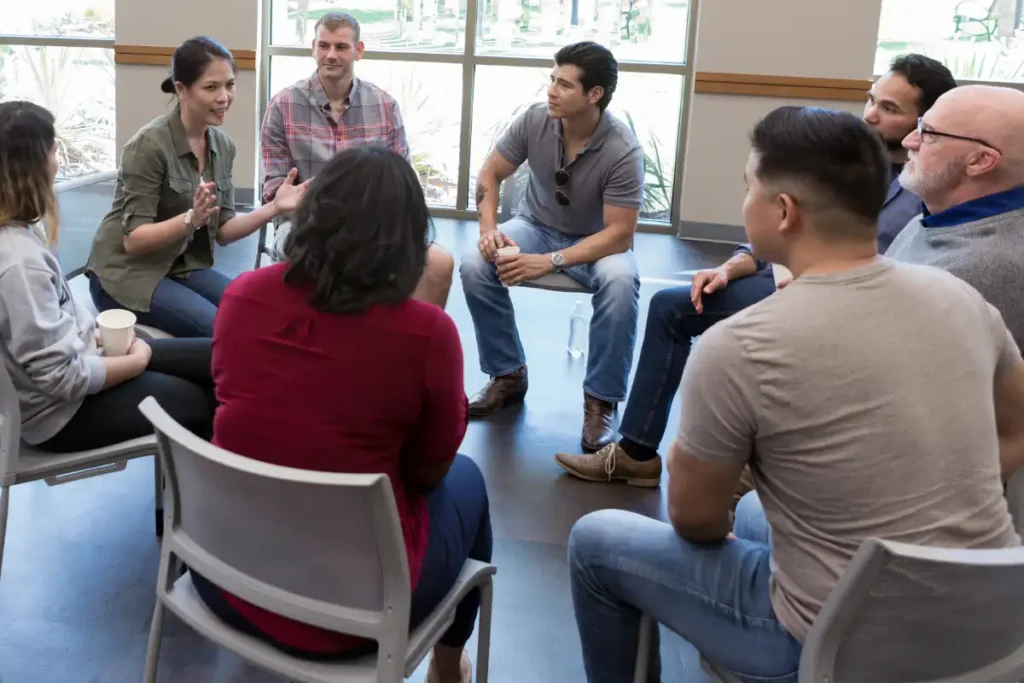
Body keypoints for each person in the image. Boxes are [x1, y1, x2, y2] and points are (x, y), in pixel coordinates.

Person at [567, 106, 1024, 683]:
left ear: (783, 212)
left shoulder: (740, 346)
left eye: (749, 188)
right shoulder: (961, 298)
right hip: (995, 633)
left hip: (835, 654)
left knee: (595, 540)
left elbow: (696, 520)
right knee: (758, 510)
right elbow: (1017, 428)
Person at [554, 54, 957, 486]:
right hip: (788, 277)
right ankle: (636, 454)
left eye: (890, 109)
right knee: (673, 305)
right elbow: (782, 219)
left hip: (844, 301)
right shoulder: (845, 154)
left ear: (925, 122)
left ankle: (750, 472)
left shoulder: (930, 189)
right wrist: (731, 267)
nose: (871, 115)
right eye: (871, 100)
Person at [194, 146, 490, 683]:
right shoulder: (426, 332)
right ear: (407, 239)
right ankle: (449, 667)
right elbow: (429, 472)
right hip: (356, 615)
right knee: (470, 482)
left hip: (224, 575)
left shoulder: (241, 297)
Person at [0, 101, 216, 454]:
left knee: (216, 357)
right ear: (33, 165)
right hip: (62, 415)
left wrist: (102, 340)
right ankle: (191, 504)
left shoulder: (18, 239)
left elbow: (52, 333)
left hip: (81, 368)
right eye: (53, 148)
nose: (58, 157)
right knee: (199, 400)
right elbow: (59, 380)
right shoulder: (19, 263)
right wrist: (136, 361)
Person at [461, 41, 644, 452]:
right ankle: (507, 374)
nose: (551, 91)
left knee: (620, 283)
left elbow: (620, 234)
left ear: (594, 94)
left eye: (564, 84)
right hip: (535, 225)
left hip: (598, 242)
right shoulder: (534, 121)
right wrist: (489, 229)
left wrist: (549, 262)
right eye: (552, 79)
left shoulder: (622, 149)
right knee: (475, 263)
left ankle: (600, 400)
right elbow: (490, 173)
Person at [86, 36, 308, 338]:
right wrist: (190, 219)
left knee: (257, 310)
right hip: (127, 274)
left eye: (229, 85)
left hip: (180, 266)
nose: (224, 97)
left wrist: (274, 207)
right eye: (211, 87)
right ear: (182, 90)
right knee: (223, 330)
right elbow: (133, 241)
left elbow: (226, 232)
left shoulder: (223, 146)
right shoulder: (149, 146)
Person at [261, 11, 454, 308]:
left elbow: (402, 179)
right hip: (305, 221)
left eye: (341, 47)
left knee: (437, 263)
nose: (331, 55)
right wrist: (300, 197)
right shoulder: (283, 105)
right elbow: (273, 186)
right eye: (323, 46)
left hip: (372, 223)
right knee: (313, 257)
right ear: (313, 47)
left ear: (358, 51)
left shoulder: (384, 106)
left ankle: (404, 342)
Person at [888, 84, 1024, 346]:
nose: (909, 141)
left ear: (980, 161)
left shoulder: (981, 267)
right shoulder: (943, 216)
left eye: (928, 133)